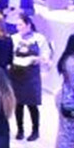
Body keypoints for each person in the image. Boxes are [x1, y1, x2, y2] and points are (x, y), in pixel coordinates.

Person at [11, 13, 47, 141]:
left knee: (32, 105)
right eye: (17, 25)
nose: (18, 27)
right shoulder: (14, 38)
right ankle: (20, 130)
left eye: (20, 25)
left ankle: (35, 130)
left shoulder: (39, 38)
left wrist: (37, 59)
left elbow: (45, 55)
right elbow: (10, 55)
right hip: (17, 74)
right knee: (18, 104)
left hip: (32, 75)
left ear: (28, 25)